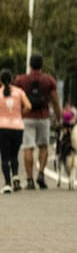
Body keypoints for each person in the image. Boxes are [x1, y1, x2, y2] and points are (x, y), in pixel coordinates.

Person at [14, 53, 61, 189]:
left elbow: (16, 98)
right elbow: (55, 101)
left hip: (26, 117)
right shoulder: (48, 80)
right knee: (43, 146)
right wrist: (58, 119)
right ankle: (41, 174)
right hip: (43, 117)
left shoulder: (21, 80)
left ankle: (29, 180)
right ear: (42, 65)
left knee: (28, 147)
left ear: (30, 64)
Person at [0, 69, 31, 193]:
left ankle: (7, 183)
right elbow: (28, 106)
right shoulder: (19, 92)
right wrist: (19, 114)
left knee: (5, 157)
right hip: (18, 127)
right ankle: (16, 177)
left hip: (2, 127)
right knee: (14, 155)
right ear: (12, 79)